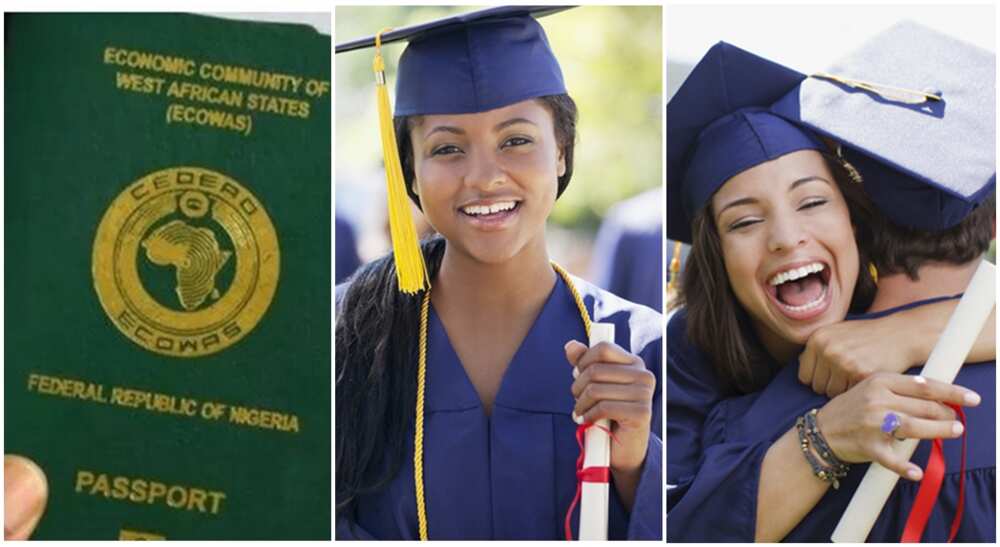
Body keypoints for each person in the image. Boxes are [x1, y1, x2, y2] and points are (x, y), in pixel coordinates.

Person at [334, 7, 662, 540]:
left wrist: (635, 466)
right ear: (408, 171)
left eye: (516, 140)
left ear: (561, 149)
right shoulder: (336, 339)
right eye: (446, 148)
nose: (485, 178)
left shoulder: (644, 350)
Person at [666, 34, 994, 542]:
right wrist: (823, 436)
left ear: (854, 221)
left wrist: (904, 333)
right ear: (715, 257)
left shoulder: (874, 305)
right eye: (745, 221)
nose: (786, 238)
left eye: (813, 202)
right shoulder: (680, 360)